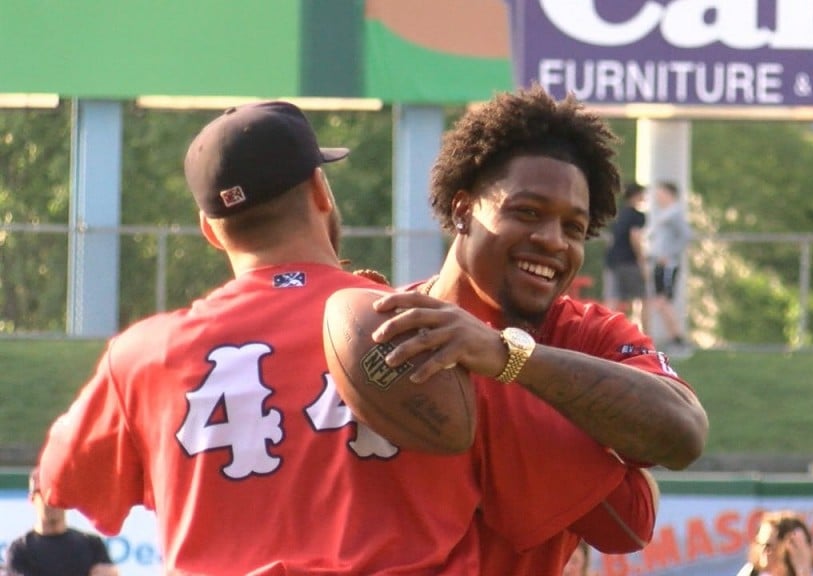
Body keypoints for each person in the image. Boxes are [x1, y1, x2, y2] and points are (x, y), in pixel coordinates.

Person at [35, 101, 492, 573]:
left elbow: (61, 480)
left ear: (210, 231)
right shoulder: (435, 330)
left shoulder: (143, 357)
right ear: (320, 190)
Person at [370, 85, 708, 574]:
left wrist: (507, 358)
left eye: (574, 228)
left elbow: (683, 434)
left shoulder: (589, 335)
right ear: (464, 209)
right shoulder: (378, 328)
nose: (552, 241)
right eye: (527, 212)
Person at [5, 468, 118, 576]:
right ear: (32, 499)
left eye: (57, 494)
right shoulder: (21, 550)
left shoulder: (92, 545)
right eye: (44, 495)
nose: (51, 501)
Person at [644, 181, 688, 346]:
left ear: (669, 194)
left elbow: (686, 236)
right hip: (658, 263)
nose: (657, 197)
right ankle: (673, 337)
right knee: (659, 301)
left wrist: (668, 255)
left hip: (668, 264)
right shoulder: (664, 213)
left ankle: (678, 338)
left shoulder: (675, 213)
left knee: (663, 301)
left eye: (660, 193)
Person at [603, 181, 647, 328]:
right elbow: (635, 237)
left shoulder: (617, 214)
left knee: (612, 298)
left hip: (612, 260)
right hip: (629, 261)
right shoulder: (637, 216)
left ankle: (606, 331)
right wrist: (642, 261)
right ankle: (643, 332)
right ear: (636, 195)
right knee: (642, 298)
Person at [737, 510, 813, 576]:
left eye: (769, 545)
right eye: (760, 543)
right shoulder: (751, 572)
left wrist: (803, 571)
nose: (764, 550)